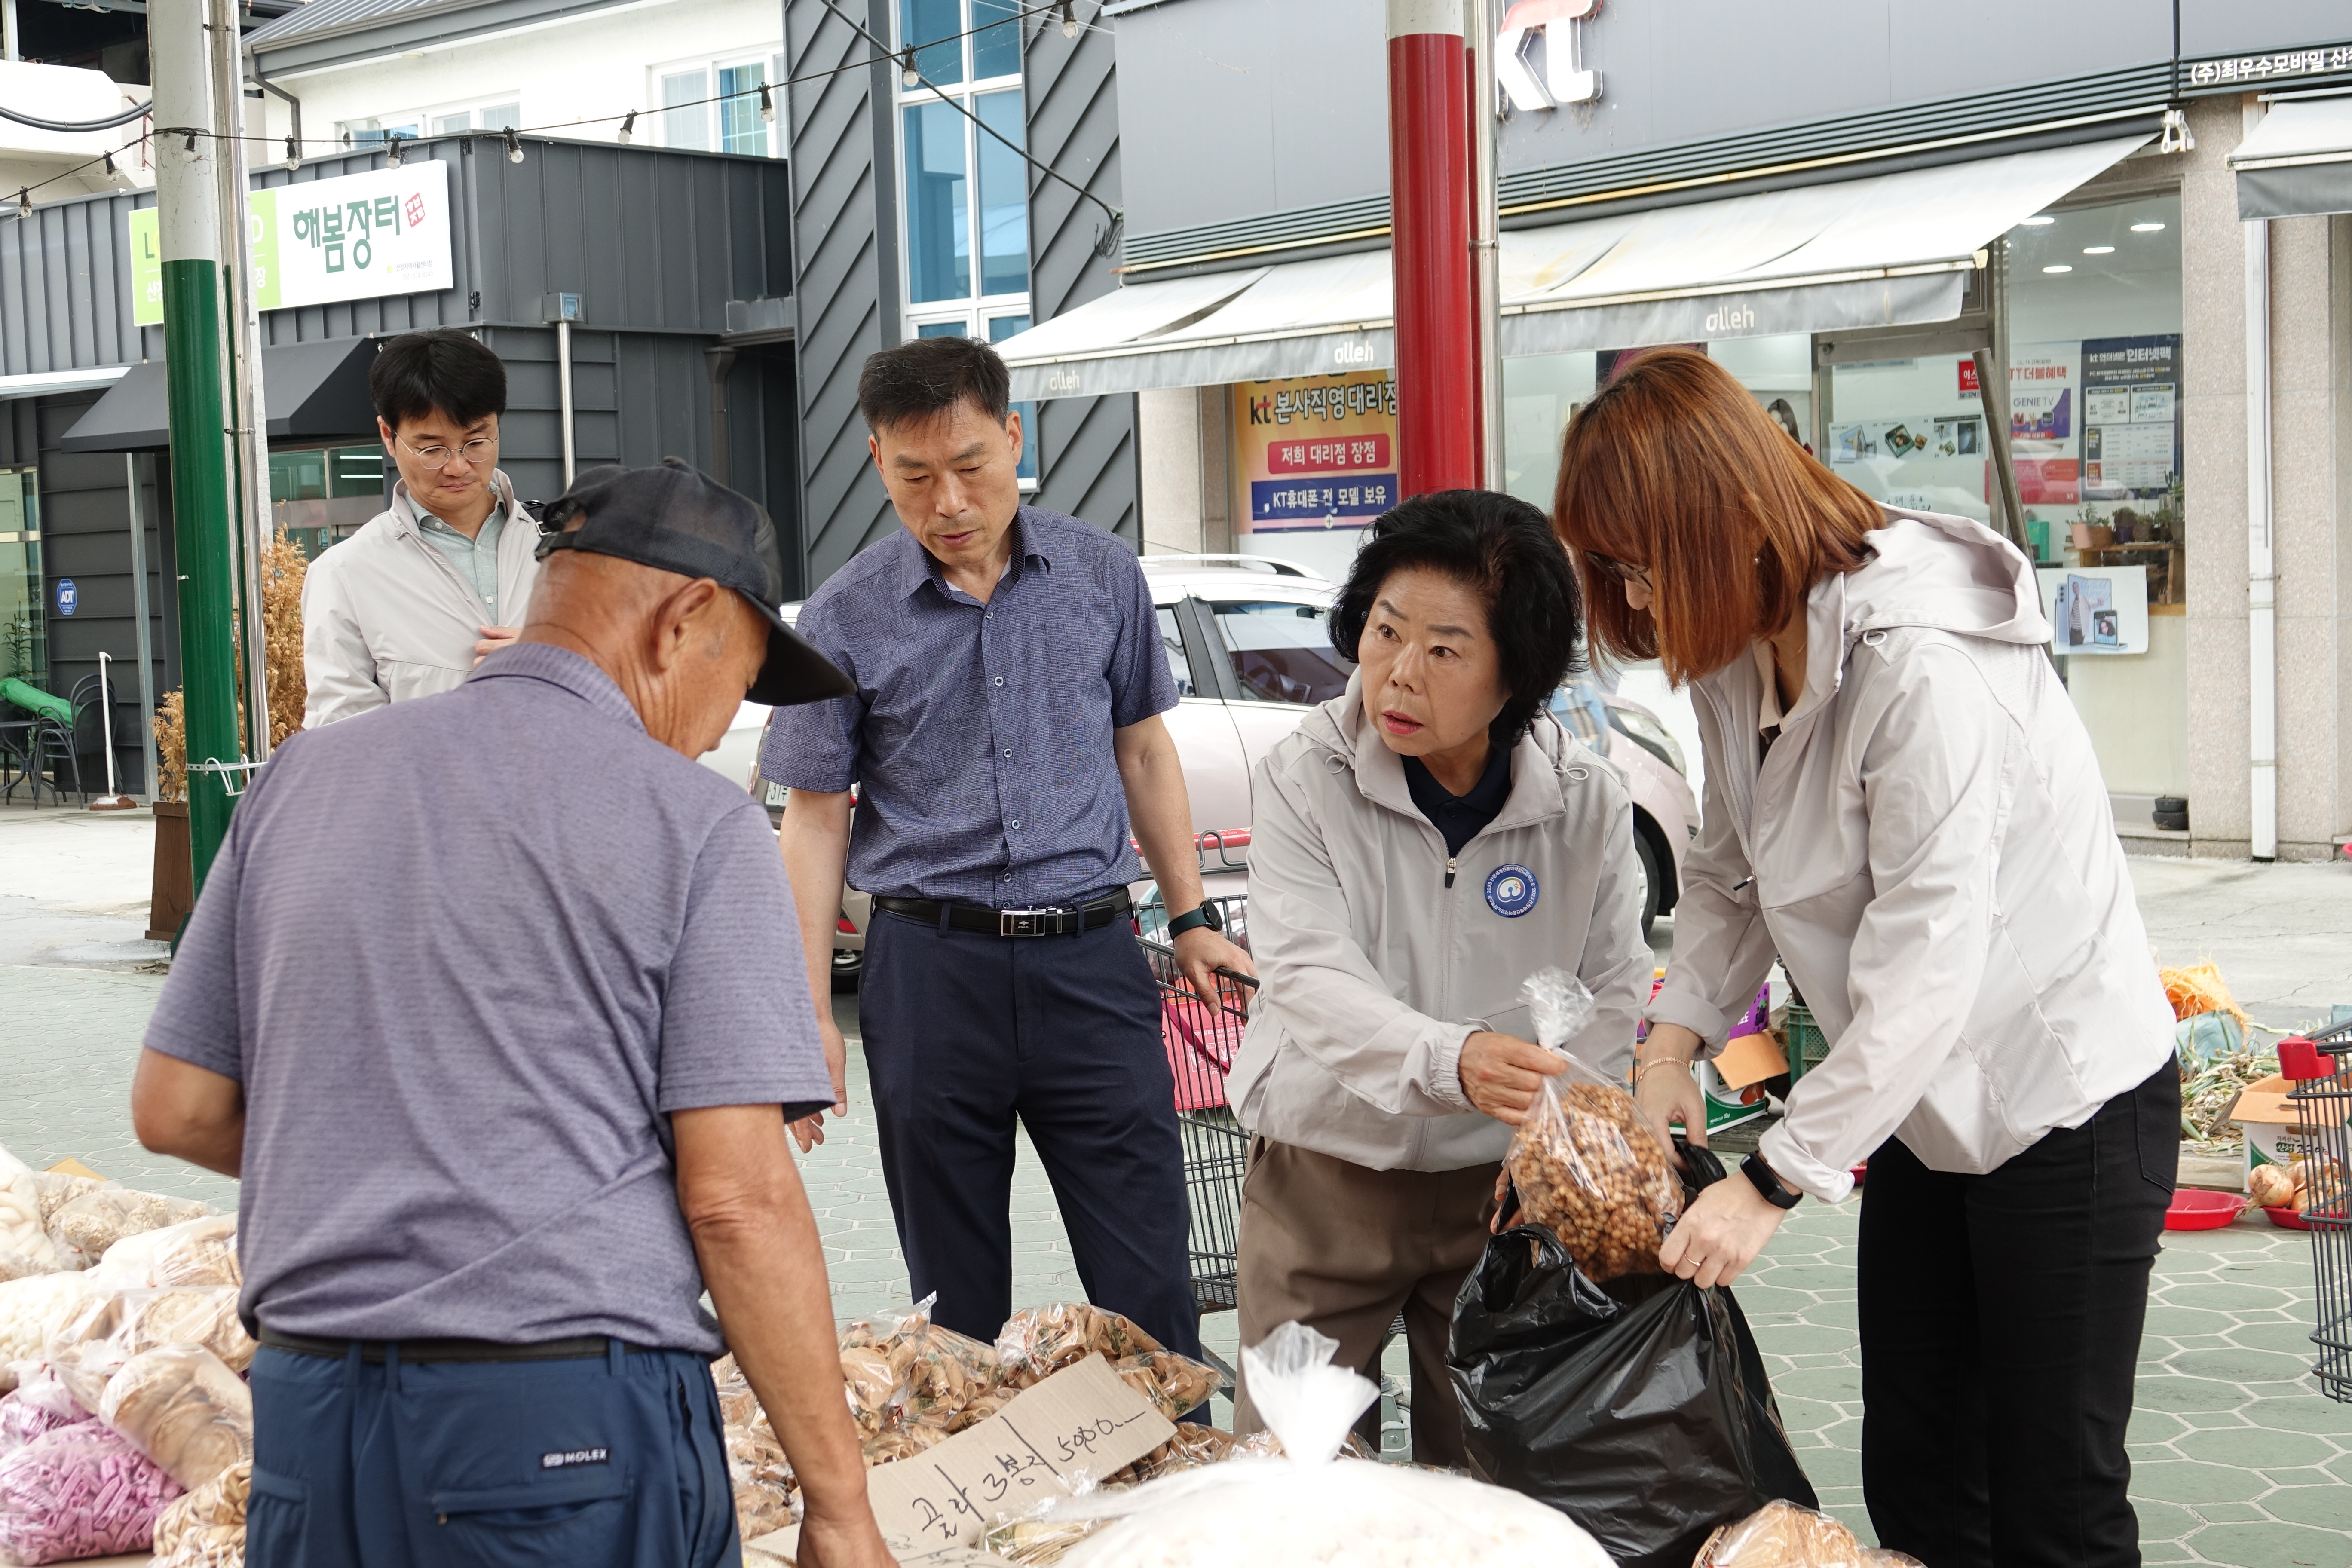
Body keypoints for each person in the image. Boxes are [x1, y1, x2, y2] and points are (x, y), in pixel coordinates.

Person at [131, 461, 895, 1568]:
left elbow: (177, 1105)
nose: (728, 720)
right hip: (562, 1437)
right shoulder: (697, 826)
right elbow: (735, 1197)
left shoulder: (301, 780)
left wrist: (405, 1160)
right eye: (741, 679)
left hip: (309, 1423)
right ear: (684, 623)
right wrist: (839, 1504)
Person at [1552, 347, 2177, 1568]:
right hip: (1918, 1109)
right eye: (1614, 569)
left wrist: (1772, 1182)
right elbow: (1729, 875)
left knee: (2054, 1486)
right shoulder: (1738, 645)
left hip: (2063, 1101)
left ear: (1728, 523)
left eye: (1641, 564)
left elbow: (1929, 968)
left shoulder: (1921, 667)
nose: (1634, 599)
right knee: (1919, 1458)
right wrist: (1672, 1044)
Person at [763, 335, 1250, 1354]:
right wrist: (805, 1014)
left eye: (971, 467)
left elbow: (1143, 749)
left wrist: (1193, 913)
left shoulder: (1099, 574)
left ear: (1014, 439)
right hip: (929, 974)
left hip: (1091, 964)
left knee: (1149, 1281)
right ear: (875, 462)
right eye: (915, 476)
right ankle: (984, 1504)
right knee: (954, 1303)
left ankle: (1169, 1494)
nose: (947, 503)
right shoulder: (843, 616)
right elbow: (812, 819)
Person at [1227, 489, 1648, 1465]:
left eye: (1445, 649)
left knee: (1486, 1481)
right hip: (1320, 1187)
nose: (1397, 675)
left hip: (1499, 1198)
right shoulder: (1306, 777)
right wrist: (1445, 1058)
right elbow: (1305, 972)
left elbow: (1614, 993)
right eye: (1383, 632)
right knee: (1299, 1480)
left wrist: (1576, 1155)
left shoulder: (1585, 806)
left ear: (1518, 674)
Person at [301, 329, 541, 726]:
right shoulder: (345, 575)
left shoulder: (564, 545)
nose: (458, 466)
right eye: (432, 449)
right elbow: (344, 742)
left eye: (477, 442)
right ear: (388, 437)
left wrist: (563, 661)